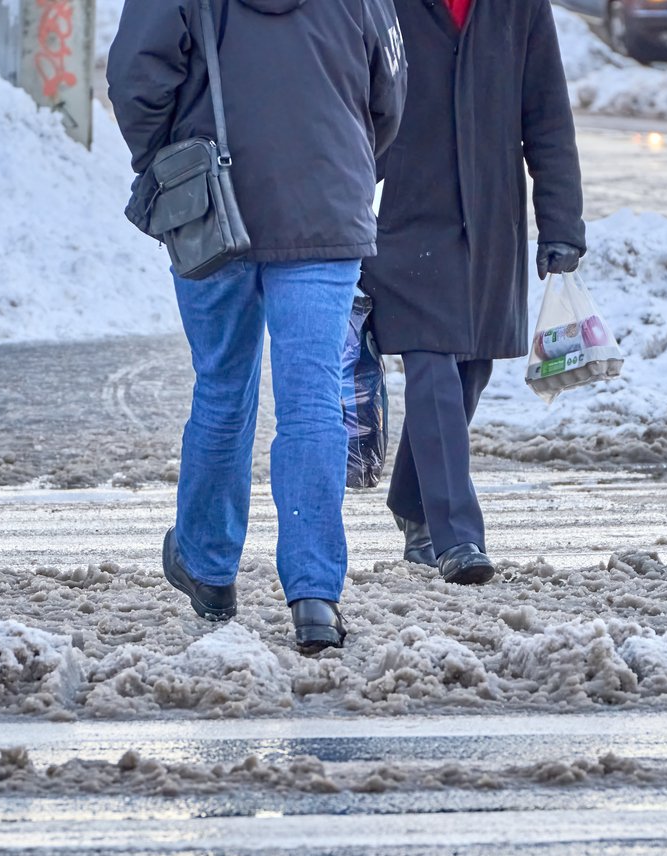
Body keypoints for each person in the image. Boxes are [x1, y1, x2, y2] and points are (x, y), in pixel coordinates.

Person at [108, 0, 406, 655]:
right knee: (312, 396)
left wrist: (167, 157)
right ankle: (315, 597)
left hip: (213, 203)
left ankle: (209, 569)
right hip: (328, 203)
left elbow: (135, 78)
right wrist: (341, 158)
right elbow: (388, 89)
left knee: (222, 385)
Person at [362, 0, 584, 585]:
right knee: (430, 357)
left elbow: (547, 115)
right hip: (406, 210)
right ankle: (456, 535)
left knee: (469, 367)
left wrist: (561, 223)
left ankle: (412, 506)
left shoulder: (520, 8)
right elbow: (350, 96)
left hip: (491, 214)